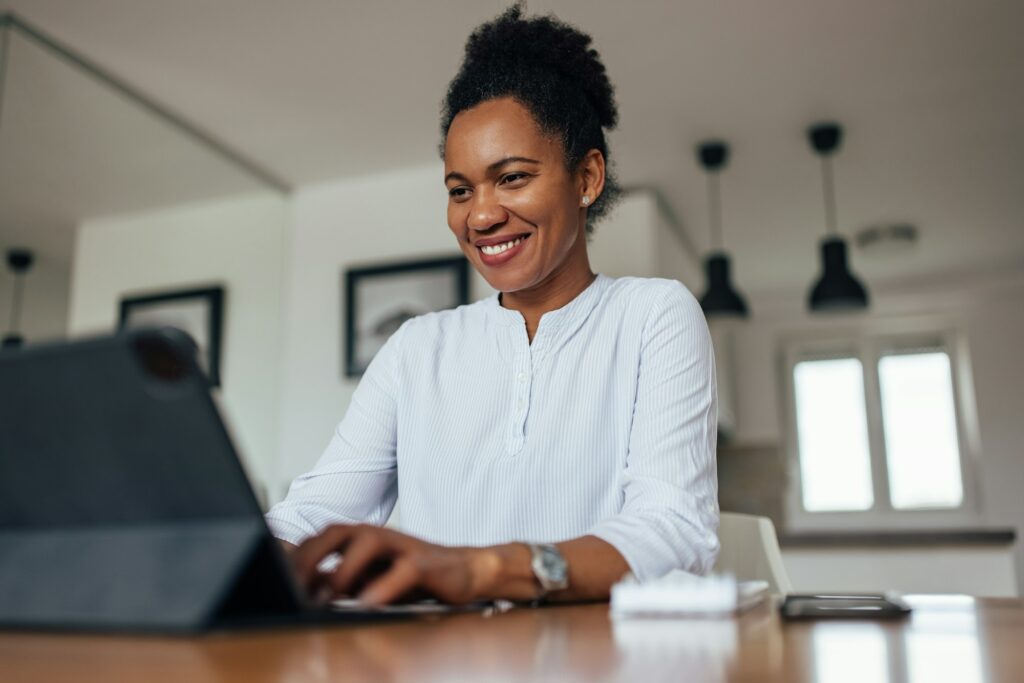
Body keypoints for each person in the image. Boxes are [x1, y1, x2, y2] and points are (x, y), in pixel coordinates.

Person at [266, 6, 719, 606]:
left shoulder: (653, 316)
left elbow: (673, 529)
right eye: (460, 190)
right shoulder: (416, 349)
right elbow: (312, 516)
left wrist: (481, 570)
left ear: (587, 177)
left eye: (511, 178)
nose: (479, 215)